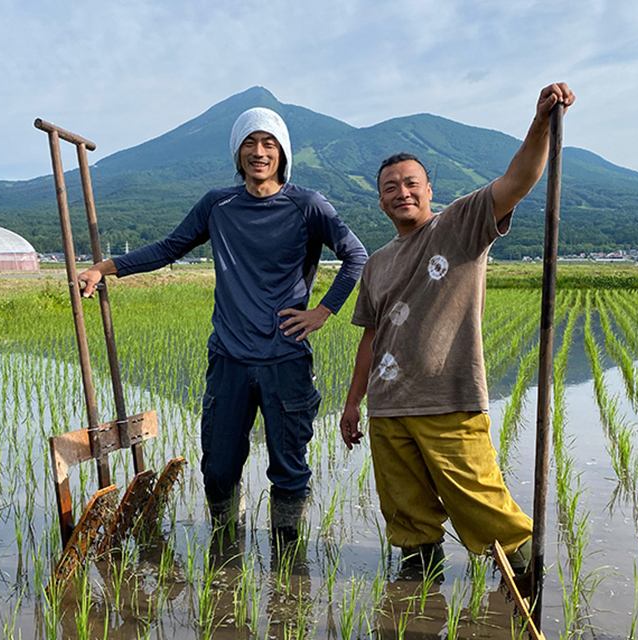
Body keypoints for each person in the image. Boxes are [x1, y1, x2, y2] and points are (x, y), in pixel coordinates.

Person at [79, 107, 368, 539]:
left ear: (283, 153)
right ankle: (226, 549)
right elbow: (170, 247)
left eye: (269, 143)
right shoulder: (219, 205)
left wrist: (323, 311)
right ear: (238, 154)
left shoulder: (307, 205)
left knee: (289, 469)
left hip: (285, 359)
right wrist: (106, 267)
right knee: (217, 469)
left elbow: (355, 255)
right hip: (229, 358)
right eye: (249, 143)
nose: (259, 152)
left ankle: (287, 564)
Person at [339, 83, 575, 574]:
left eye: (410, 184)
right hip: (387, 408)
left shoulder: (461, 224)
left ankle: (523, 578)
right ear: (380, 202)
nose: (401, 192)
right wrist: (352, 403)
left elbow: (518, 179)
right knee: (407, 516)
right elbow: (370, 336)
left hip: (449, 398)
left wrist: (539, 125)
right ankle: (418, 585)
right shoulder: (377, 264)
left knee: (484, 504)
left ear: (429, 191)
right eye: (390, 188)